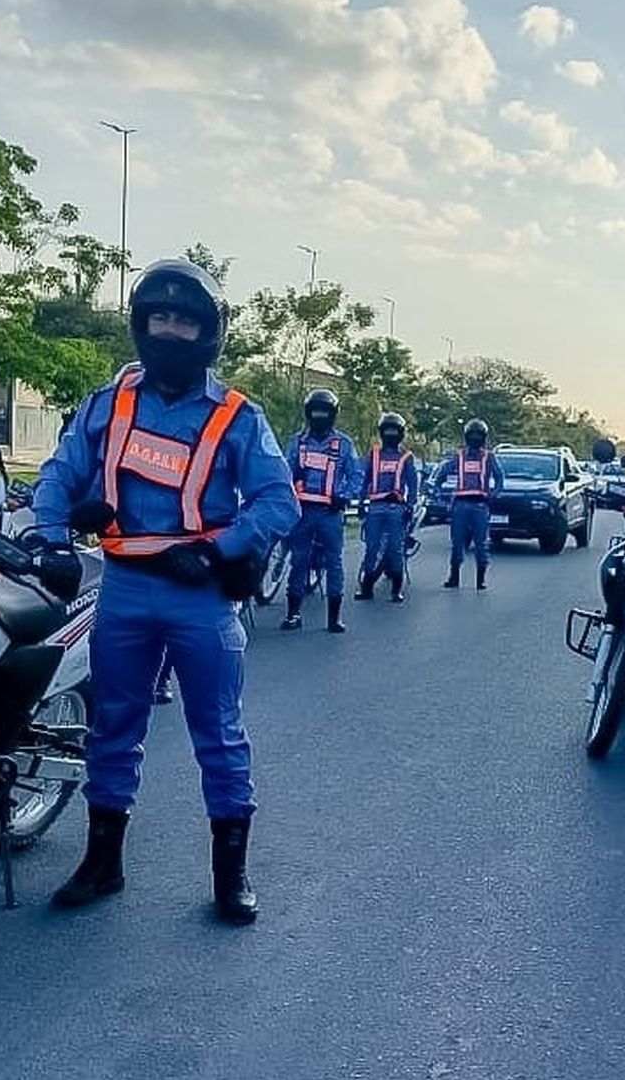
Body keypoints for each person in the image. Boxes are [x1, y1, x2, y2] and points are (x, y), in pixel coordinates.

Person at [32, 259, 299, 922]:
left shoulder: (238, 415)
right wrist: (51, 533)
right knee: (113, 725)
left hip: (199, 596)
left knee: (219, 732)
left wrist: (216, 549)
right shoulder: (110, 401)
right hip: (122, 589)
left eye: (186, 319)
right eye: (160, 317)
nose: (171, 330)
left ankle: (229, 876)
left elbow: (278, 501)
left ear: (209, 331)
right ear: (141, 323)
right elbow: (59, 473)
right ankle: (102, 862)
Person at [282, 389, 362, 633]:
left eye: (324, 412)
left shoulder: (344, 444)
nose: (319, 417)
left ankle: (334, 618)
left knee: (334, 563)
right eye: (315, 412)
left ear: (333, 414)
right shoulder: (297, 442)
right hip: (302, 512)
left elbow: (357, 475)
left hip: (330, 513)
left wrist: (345, 495)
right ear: (308, 413)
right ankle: (293, 613)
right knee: (299, 562)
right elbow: (285, 471)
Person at [355, 411, 419, 604]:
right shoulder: (373, 454)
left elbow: (413, 485)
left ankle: (396, 590)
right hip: (375, 508)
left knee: (395, 549)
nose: (391, 434)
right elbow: (364, 480)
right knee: (371, 548)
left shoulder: (406, 457)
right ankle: (366, 588)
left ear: (400, 433)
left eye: (394, 430)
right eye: (387, 430)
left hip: (396, 508)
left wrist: (410, 506)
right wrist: (359, 503)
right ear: (382, 432)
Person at [432, 419, 504, 590]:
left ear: (484, 437)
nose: (475, 438)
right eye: (472, 434)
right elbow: (441, 474)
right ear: (466, 437)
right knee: (457, 543)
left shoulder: (489, 456)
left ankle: (481, 580)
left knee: (481, 543)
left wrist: (493, 494)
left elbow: (499, 477)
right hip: (460, 505)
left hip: (480, 505)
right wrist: (439, 492)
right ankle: (454, 576)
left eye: (478, 435)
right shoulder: (459, 456)